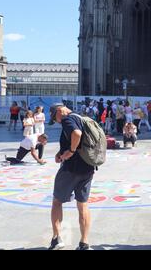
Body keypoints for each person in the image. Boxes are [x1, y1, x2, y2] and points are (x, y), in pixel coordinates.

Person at [48, 103, 95, 250]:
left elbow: (76, 134)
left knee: (57, 201)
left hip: (70, 169)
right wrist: (61, 153)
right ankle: (84, 243)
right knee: (83, 205)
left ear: (60, 111)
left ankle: (56, 239)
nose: (56, 121)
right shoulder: (80, 117)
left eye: (55, 118)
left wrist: (71, 151)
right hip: (87, 168)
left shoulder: (67, 119)